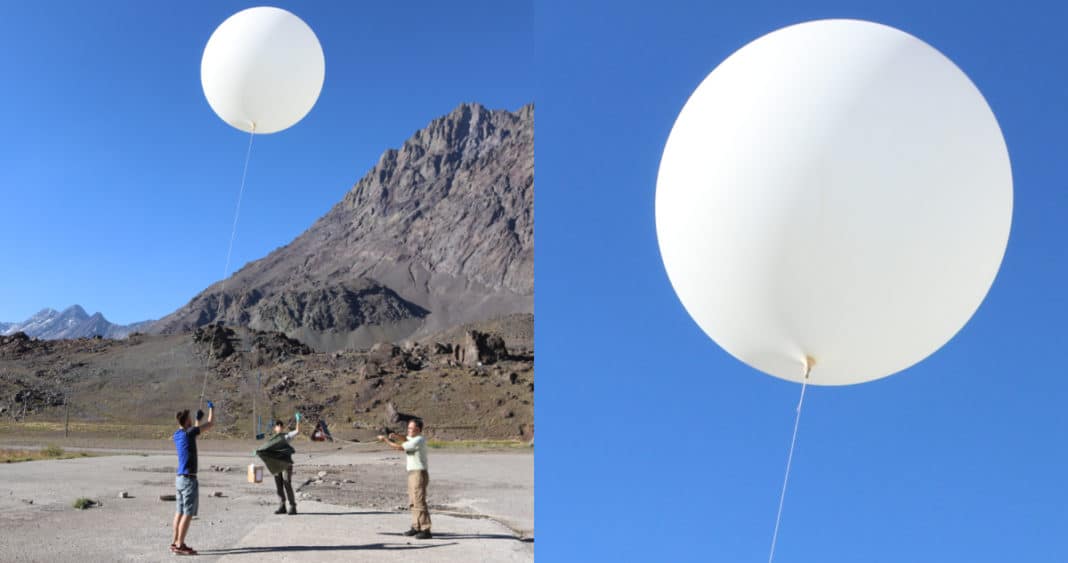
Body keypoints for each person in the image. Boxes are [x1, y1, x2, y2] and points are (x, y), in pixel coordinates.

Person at [170, 401, 214, 556]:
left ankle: (175, 542)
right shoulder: (189, 433)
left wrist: (196, 421)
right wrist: (211, 409)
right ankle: (180, 545)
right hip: (188, 480)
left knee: (179, 511)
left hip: (180, 479)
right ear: (187, 421)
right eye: (190, 418)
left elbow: (193, 433)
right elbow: (210, 424)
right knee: (187, 513)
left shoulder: (178, 434)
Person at [378, 418, 431, 539]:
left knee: (419, 501)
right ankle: (416, 527)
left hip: (419, 473)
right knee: (413, 501)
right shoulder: (413, 438)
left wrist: (385, 440)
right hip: (412, 473)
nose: (409, 431)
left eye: (411, 428)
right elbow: (406, 438)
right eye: (408, 428)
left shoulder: (419, 439)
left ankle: (425, 529)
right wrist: (396, 435)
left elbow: (400, 447)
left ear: (418, 429)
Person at [256, 414, 301, 515]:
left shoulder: (286, 436)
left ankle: (293, 506)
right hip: (275, 464)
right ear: (275, 428)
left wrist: (298, 420)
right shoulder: (272, 439)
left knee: (287, 483)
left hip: (286, 464)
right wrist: (258, 451)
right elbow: (266, 448)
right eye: (277, 425)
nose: (279, 427)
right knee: (279, 486)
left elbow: (297, 431)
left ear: (283, 427)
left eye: (281, 425)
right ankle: (282, 506)